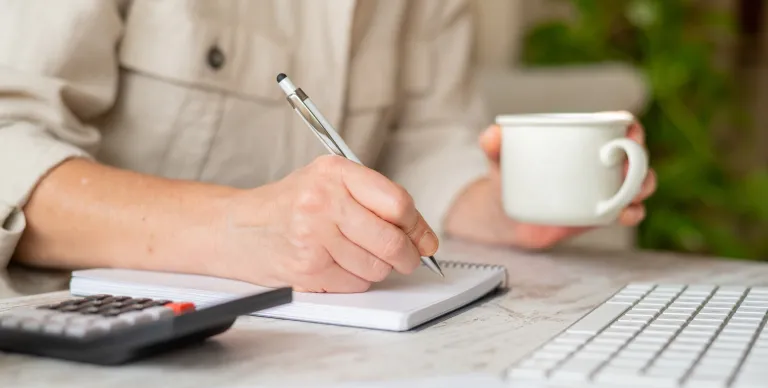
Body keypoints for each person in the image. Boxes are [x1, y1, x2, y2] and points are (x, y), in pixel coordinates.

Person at [0, 0, 656, 293]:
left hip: (329, 347)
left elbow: (422, 144)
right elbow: (10, 145)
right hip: (95, 347)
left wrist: (502, 204)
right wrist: (241, 228)